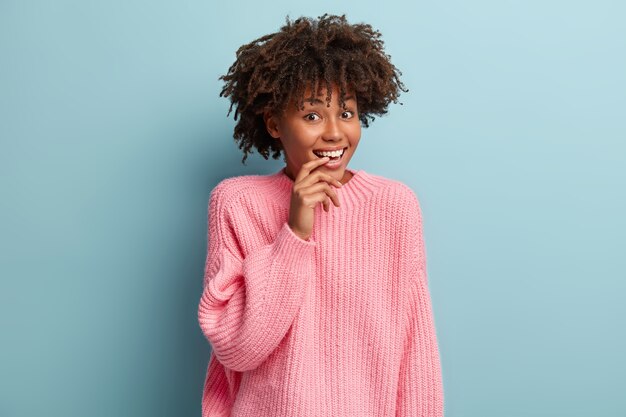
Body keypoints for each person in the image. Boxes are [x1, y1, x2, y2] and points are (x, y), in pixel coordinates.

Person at [198, 13, 444, 417]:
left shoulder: (395, 205)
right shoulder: (237, 203)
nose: (334, 133)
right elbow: (238, 348)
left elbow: (415, 350)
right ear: (275, 123)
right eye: (312, 115)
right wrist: (294, 232)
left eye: (346, 113)